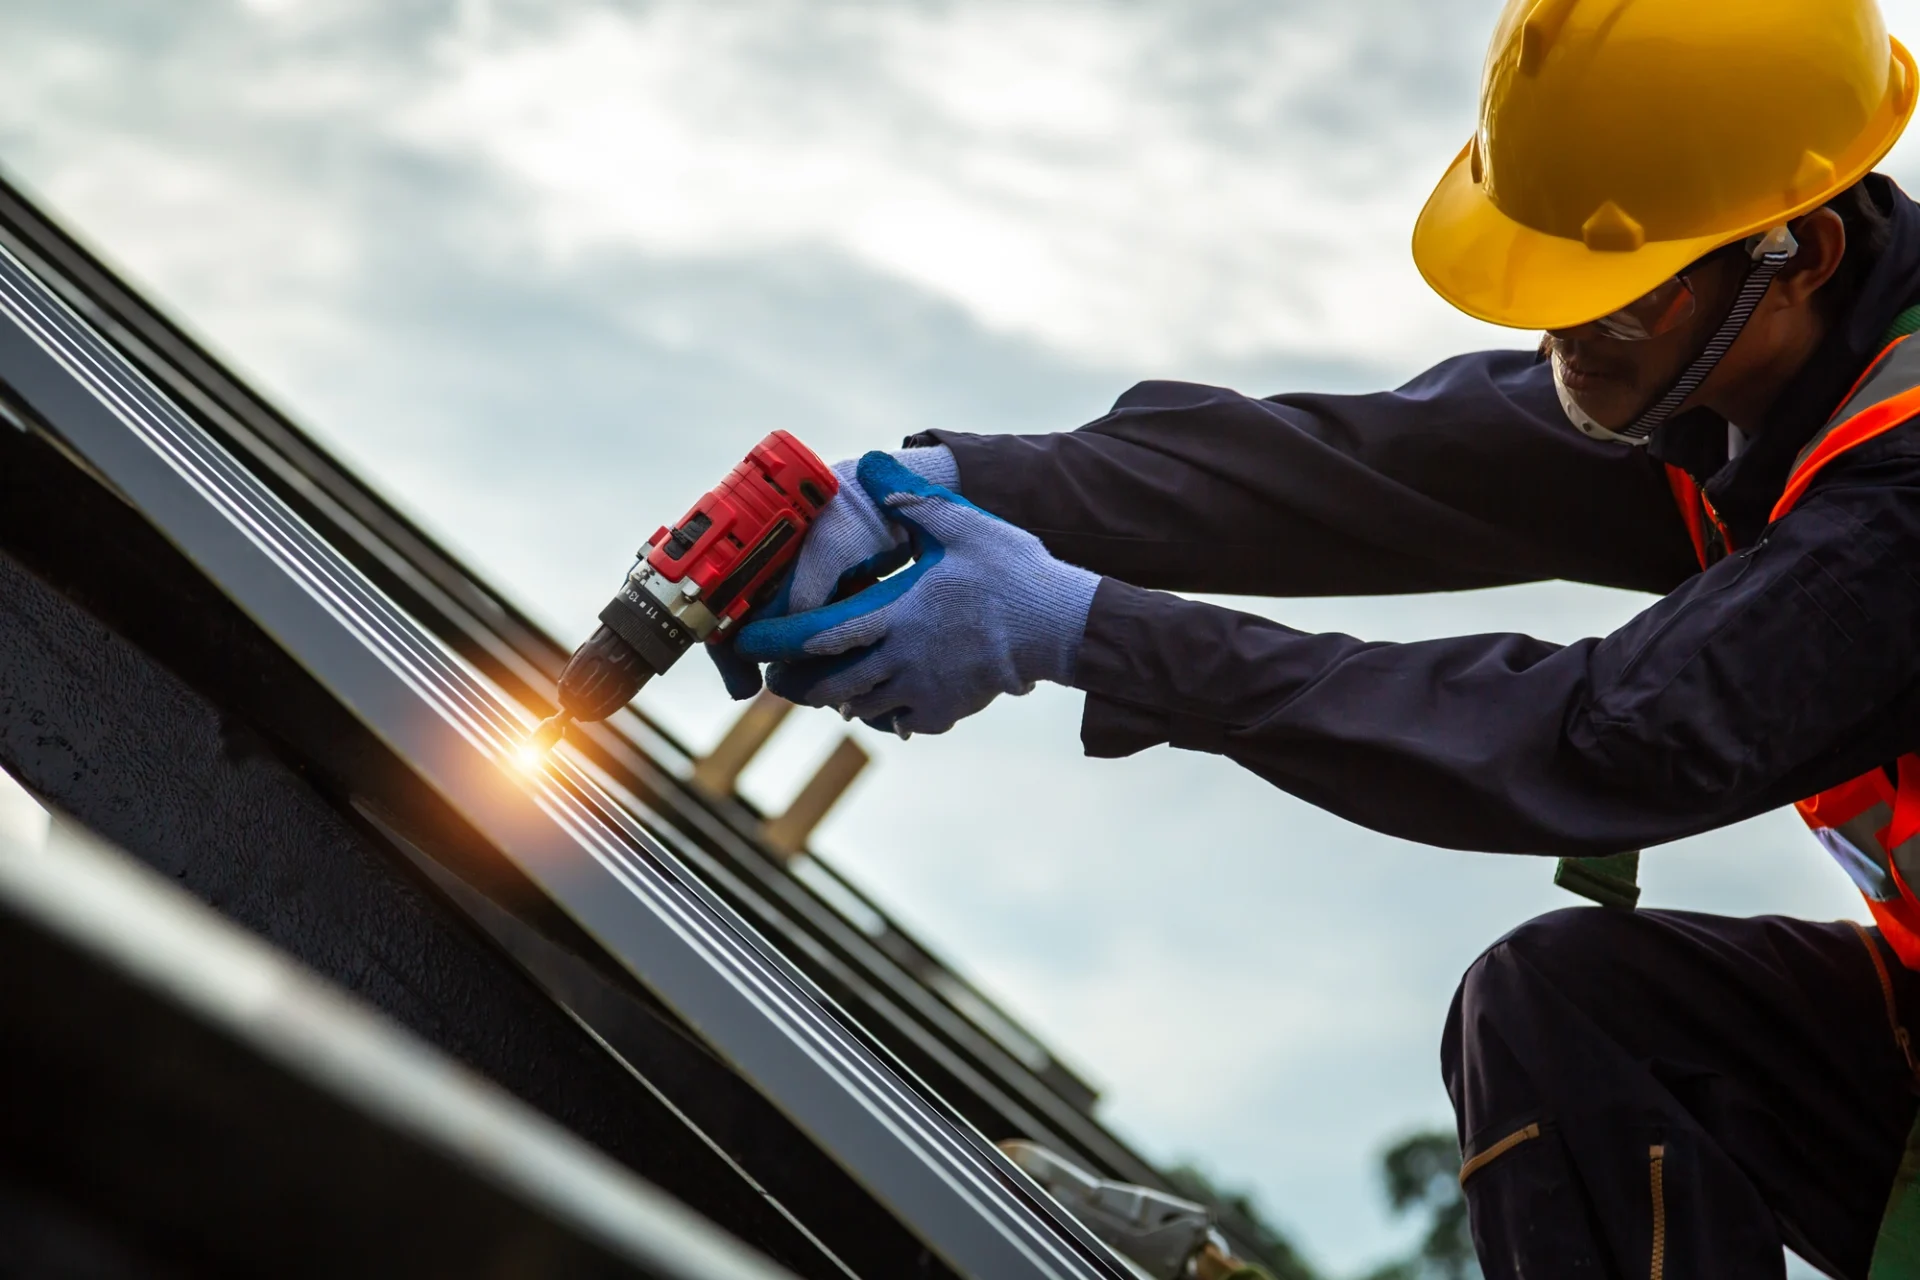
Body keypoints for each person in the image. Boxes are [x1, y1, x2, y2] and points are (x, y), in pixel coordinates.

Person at [714, 1, 1920, 1274]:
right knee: (1569, 1008)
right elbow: (1360, 468)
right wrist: (945, 484)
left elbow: (1605, 739)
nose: (1564, 336)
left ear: (1805, 252)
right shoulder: (1745, 384)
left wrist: (1077, 629)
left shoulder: (1898, 493)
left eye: (1613, 301)